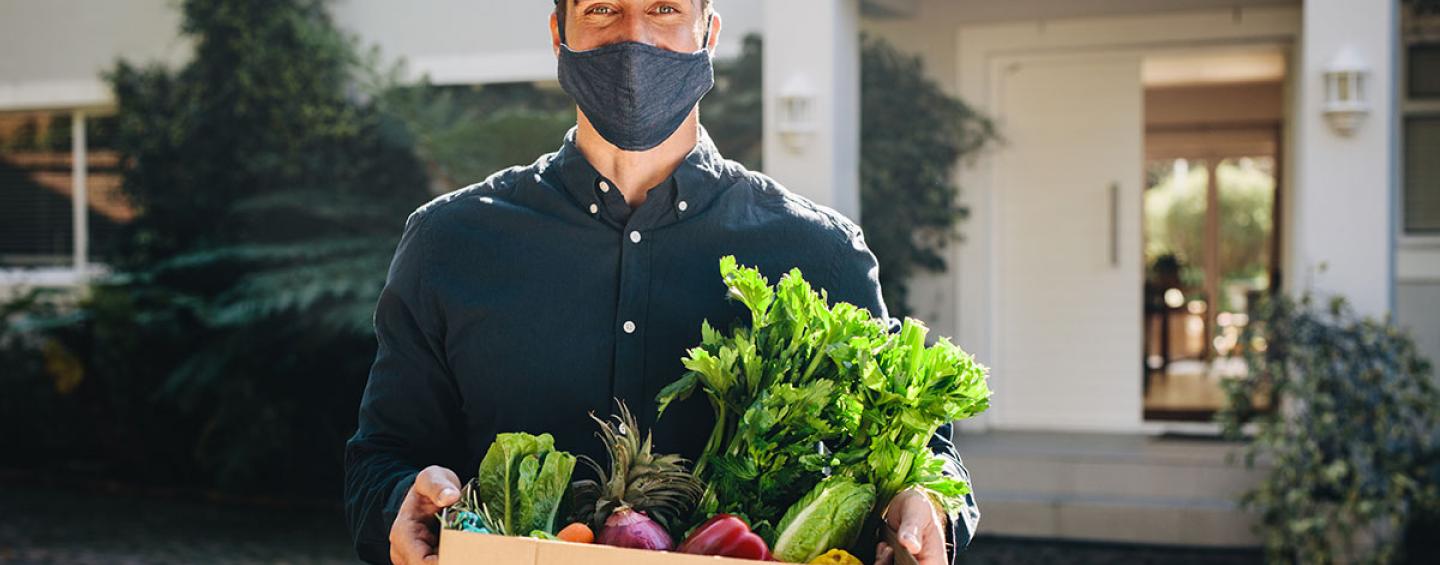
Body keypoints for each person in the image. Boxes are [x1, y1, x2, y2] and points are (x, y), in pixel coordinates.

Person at [343, 1, 979, 563]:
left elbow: (928, 460)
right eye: (601, 10)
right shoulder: (449, 243)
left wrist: (924, 507)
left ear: (710, 32)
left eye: (665, 9)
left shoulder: (822, 254)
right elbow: (383, 453)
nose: (634, 39)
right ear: (557, 31)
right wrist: (400, 504)